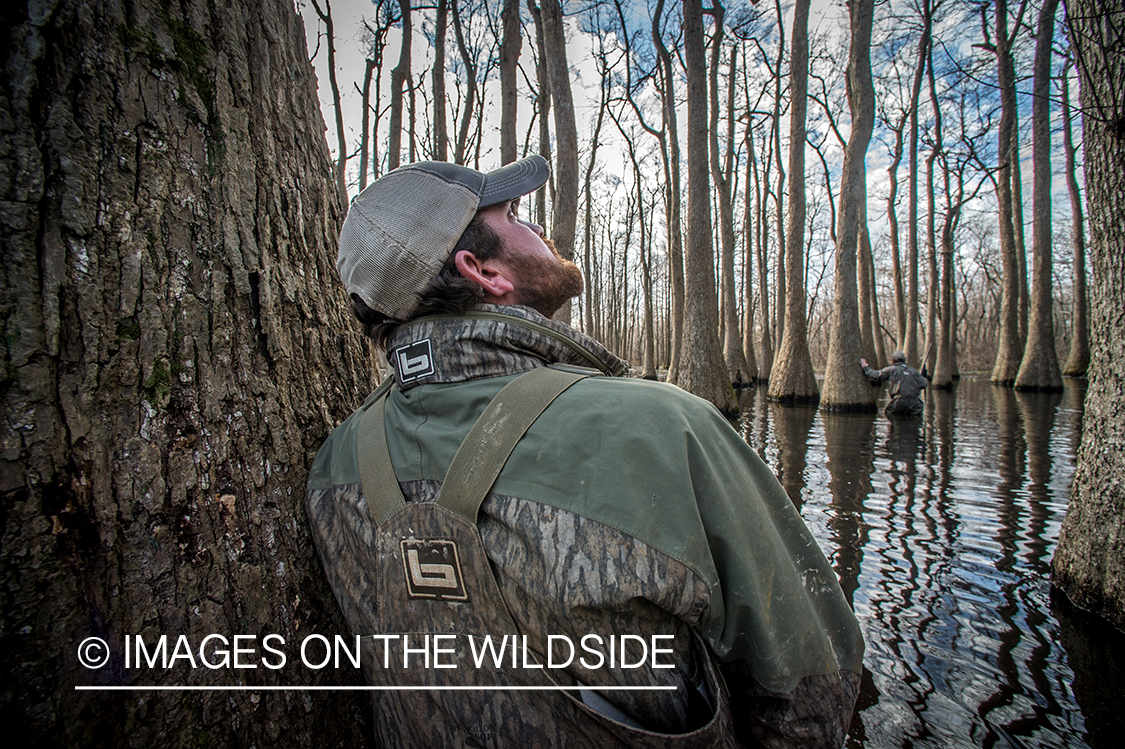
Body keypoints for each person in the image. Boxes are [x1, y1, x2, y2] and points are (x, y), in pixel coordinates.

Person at [305, 155, 864, 748]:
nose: (537, 227)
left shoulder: (332, 464)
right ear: (481, 270)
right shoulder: (660, 428)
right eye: (514, 213)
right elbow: (811, 681)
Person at [860, 351, 930, 418]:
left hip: (899, 401)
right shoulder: (913, 371)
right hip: (915, 402)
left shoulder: (891, 370)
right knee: (915, 420)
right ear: (904, 360)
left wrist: (865, 367)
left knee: (890, 415)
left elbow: (876, 375)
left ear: (893, 360)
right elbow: (924, 383)